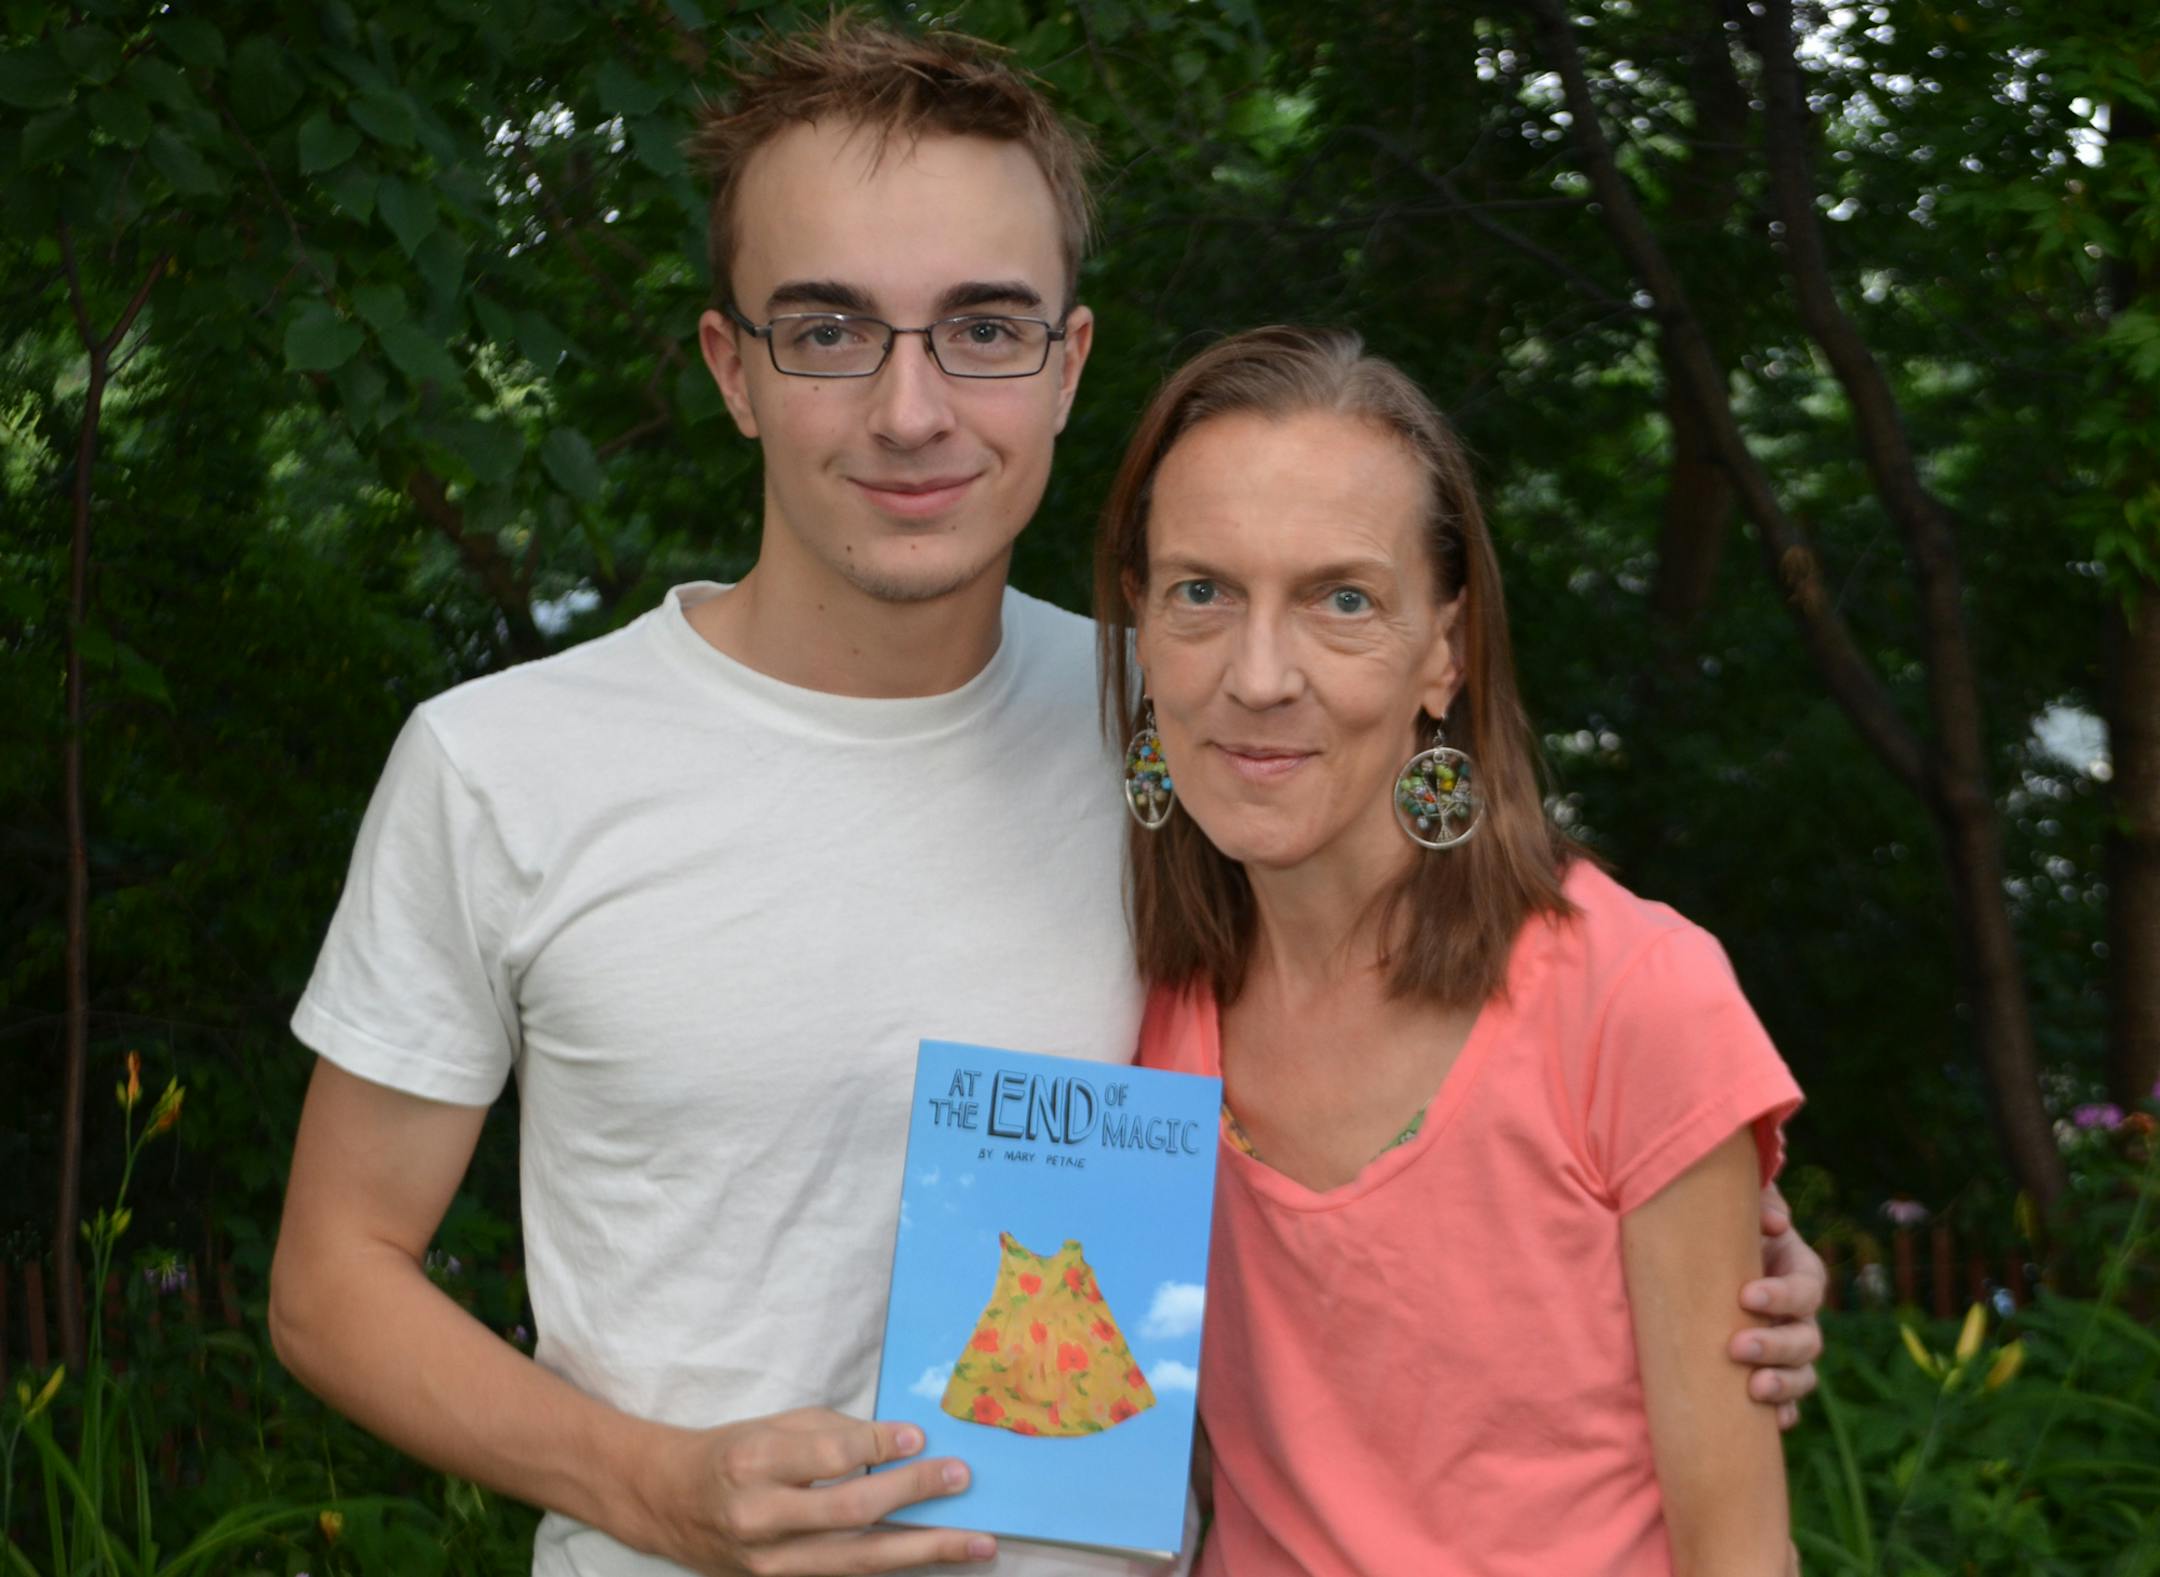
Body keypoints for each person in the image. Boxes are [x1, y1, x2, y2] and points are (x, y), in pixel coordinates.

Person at [268, 20, 1824, 1577]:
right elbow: (334, 1272)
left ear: (1067, 366)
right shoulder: (504, 767)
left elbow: (1504, 1048)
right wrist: (649, 1482)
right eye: (827, 331)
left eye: (983, 329)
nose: (910, 410)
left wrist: (1679, 1265)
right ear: (731, 368)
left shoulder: (1200, 729)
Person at [1100, 326, 1803, 1575]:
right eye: (1201, 590)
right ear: (1140, 633)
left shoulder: (1636, 996)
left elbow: (1739, 1550)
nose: (1259, 675)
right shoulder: (1134, 1013)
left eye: (1343, 599)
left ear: (1447, 650)